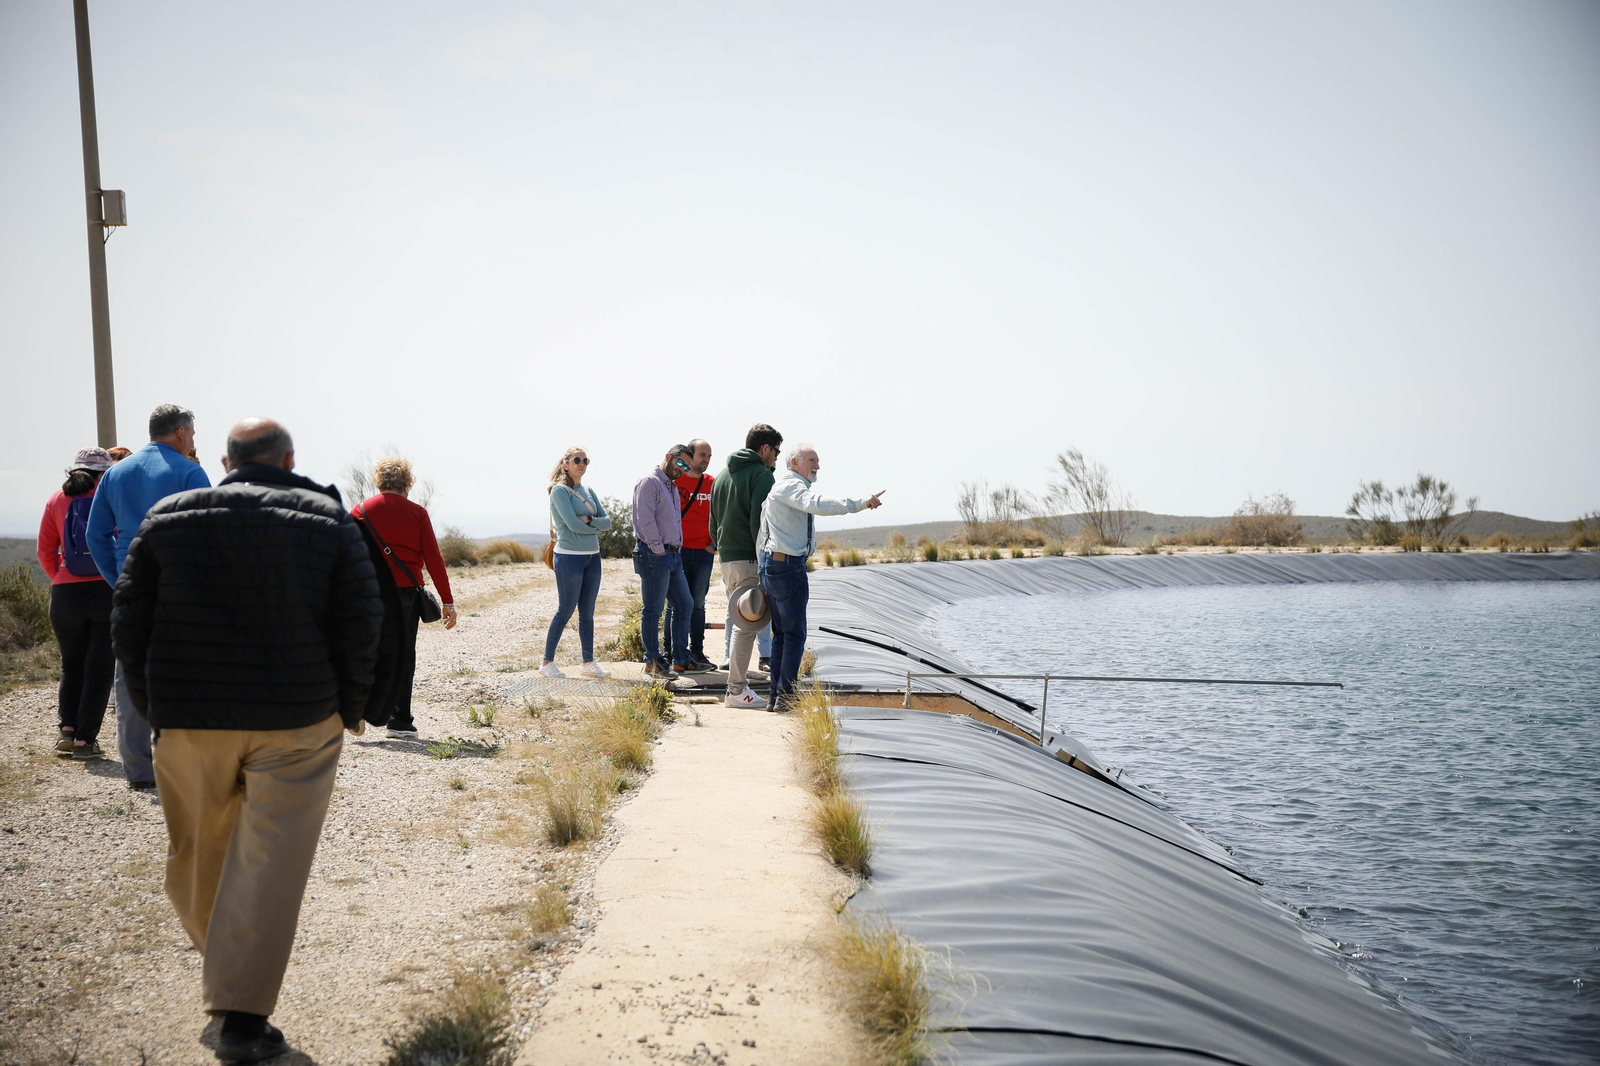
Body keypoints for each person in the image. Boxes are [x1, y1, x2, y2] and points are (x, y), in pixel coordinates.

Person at [110, 417, 382, 1064]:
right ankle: (240, 1001)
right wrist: (349, 707)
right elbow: (362, 619)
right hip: (298, 720)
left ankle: (236, 996)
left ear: (226, 461)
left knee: (198, 855)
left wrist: (154, 710)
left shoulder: (166, 517)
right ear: (289, 459)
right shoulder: (328, 518)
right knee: (269, 864)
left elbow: (128, 619)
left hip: (188, 719)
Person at [86, 403, 211, 790]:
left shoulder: (116, 472)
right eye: (191, 433)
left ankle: (139, 770)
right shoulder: (190, 471)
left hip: (131, 589)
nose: (193, 440)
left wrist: (118, 579)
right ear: (179, 432)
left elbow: (96, 536)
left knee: (129, 679)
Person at [758, 444, 883, 709]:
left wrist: (762, 570)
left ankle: (776, 696)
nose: (817, 465)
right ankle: (786, 698)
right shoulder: (792, 487)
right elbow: (816, 504)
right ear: (794, 462)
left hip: (775, 565)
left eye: (818, 460)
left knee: (781, 634)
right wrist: (860, 503)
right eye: (812, 460)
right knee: (793, 636)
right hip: (787, 568)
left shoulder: (781, 488)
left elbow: (763, 531)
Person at [352, 456, 457, 739]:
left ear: (379, 481)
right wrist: (447, 602)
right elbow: (434, 560)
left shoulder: (359, 511)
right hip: (404, 595)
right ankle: (399, 721)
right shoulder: (417, 513)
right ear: (407, 483)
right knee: (402, 656)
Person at [36, 448, 116, 759]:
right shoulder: (109, 496)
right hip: (104, 591)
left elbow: (45, 550)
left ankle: (66, 731)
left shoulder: (56, 498)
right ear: (104, 473)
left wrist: (60, 575)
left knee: (71, 664)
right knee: (99, 668)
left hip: (65, 594)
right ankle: (85, 741)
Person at [709, 424, 784, 708]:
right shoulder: (760, 475)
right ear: (765, 449)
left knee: (741, 619)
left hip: (727, 558)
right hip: (751, 558)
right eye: (775, 452)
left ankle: (737, 688)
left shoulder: (722, 476)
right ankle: (737, 690)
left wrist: (725, 547)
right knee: (747, 623)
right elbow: (760, 524)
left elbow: (712, 524)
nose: (775, 459)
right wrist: (765, 558)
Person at [633, 445, 704, 678]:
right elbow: (644, 520)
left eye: (686, 466)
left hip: (673, 556)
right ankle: (652, 660)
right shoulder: (649, 482)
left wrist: (675, 549)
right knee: (653, 610)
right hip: (655, 555)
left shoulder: (671, 486)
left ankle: (680, 659)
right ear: (668, 458)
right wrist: (658, 549)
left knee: (685, 604)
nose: (682, 469)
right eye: (680, 463)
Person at [542, 446, 612, 678]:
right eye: (577, 460)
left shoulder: (588, 490)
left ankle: (588, 663)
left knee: (588, 612)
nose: (582, 464)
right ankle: (546, 663)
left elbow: (607, 522)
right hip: (569, 558)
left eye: (585, 460)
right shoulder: (559, 492)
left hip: (592, 557)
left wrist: (589, 520)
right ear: (566, 464)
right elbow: (573, 525)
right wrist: (593, 526)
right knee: (565, 610)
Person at [665, 438, 716, 670]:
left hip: (704, 553)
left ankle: (697, 653)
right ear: (690, 456)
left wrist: (715, 543)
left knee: (698, 604)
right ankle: (670, 653)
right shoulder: (677, 480)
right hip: (679, 552)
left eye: (709, 456)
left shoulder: (712, 483)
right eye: (702, 455)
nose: (705, 459)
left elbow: (722, 515)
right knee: (675, 604)